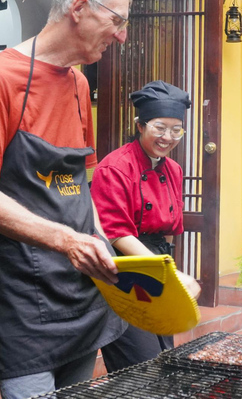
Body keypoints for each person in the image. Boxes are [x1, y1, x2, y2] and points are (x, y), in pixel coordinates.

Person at [0, 0, 132, 399]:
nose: (122, 34)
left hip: (79, 290)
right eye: (118, 19)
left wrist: (99, 243)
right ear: (79, 7)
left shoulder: (77, 84)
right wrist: (68, 241)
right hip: (22, 298)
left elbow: (80, 183)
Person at [91, 80, 202, 371]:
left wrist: (169, 270)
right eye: (159, 128)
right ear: (140, 126)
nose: (168, 137)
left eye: (176, 130)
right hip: (124, 267)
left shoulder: (173, 169)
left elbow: (169, 225)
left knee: (164, 352)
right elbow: (115, 232)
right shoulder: (114, 167)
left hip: (156, 258)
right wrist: (170, 273)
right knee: (142, 362)